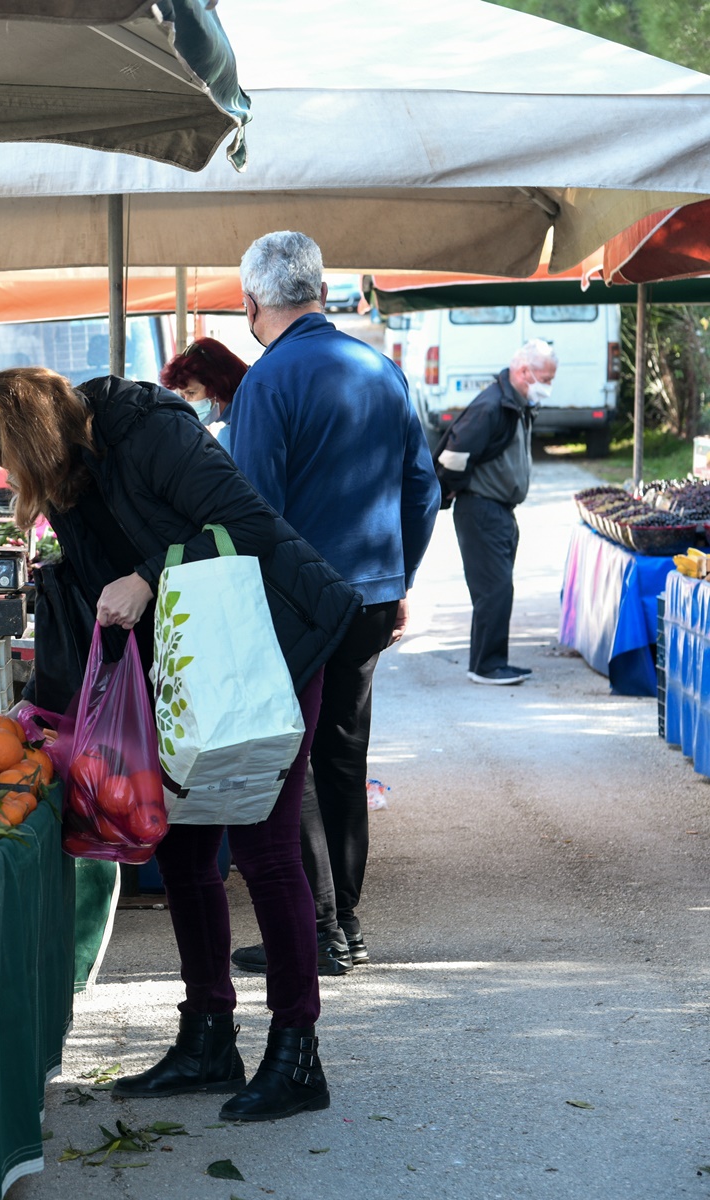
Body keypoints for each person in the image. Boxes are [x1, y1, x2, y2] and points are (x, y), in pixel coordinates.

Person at [0, 366, 359, 1123]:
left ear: (32, 439)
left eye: (8, 459)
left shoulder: (147, 428)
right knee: (182, 850)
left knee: (265, 847)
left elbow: (246, 520)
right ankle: (209, 1035)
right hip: (189, 666)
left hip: (269, 644)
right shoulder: (70, 482)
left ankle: (297, 1051)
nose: (11, 477)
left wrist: (148, 577)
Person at [222, 231, 442, 978]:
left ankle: (319, 929)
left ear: (251, 303)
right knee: (345, 754)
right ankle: (346, 919)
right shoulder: (383, 370)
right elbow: (424, 489)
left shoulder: (267, 382)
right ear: (320, 291)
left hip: (301, 603)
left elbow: (253, 512)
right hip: (374, 596)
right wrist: (399, 575)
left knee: (299, 759)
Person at [437, 339, 553, 685]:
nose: (548, 386)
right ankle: (487, 666)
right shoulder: (492, 406)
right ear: (522, 371)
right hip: (481, 508)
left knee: (497, 588)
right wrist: (450, 488)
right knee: (495, 589)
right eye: (545, 378)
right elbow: (453, 453)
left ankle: (489, 661)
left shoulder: (513, 402)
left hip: (498, 509)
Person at [160, 337, 248, 426]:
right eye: (183, 396)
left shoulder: (235, 432)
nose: (188, 403)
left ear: (219, 383)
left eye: (191, 393)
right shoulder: (250, 399)